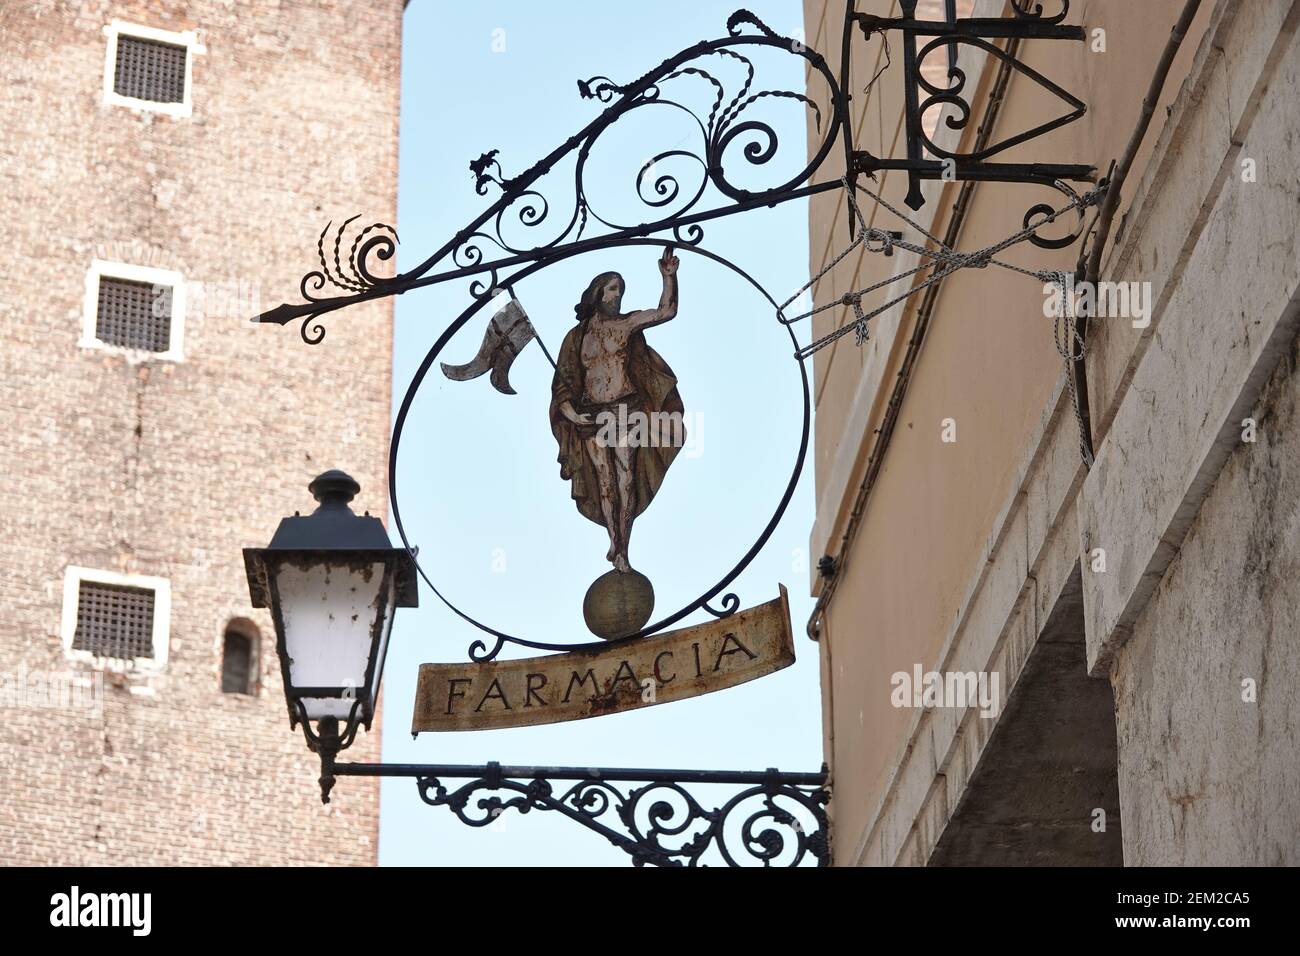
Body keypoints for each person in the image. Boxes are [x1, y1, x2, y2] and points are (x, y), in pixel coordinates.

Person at [549, 248, 685, 572]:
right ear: (598, 293)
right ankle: (615, 540)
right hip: (591, 414)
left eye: (620, 291)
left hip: (626, 410)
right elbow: (564, 380)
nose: (617, 296)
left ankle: (623, 547)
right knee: (605, 482)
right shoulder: (577, 337)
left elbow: (666, 311)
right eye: (612, 290)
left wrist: (669, 277)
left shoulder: (626, 325)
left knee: (625, 479)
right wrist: (569, 412)